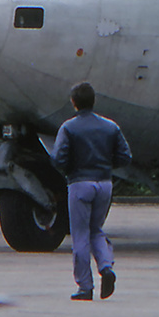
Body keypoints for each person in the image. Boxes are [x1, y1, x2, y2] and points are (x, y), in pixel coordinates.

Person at [52, 82, 131, 301]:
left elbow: (58, 159)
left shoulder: (69, 128)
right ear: (94, 101)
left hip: (80, 183)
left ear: (73, 102)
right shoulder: (110, 126)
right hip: (104, 183)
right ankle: (106, 268)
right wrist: (106, 165)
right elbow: (125, 157)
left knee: (80, 235)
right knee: (96, 229)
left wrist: (70, 168)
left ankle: (85, 286)